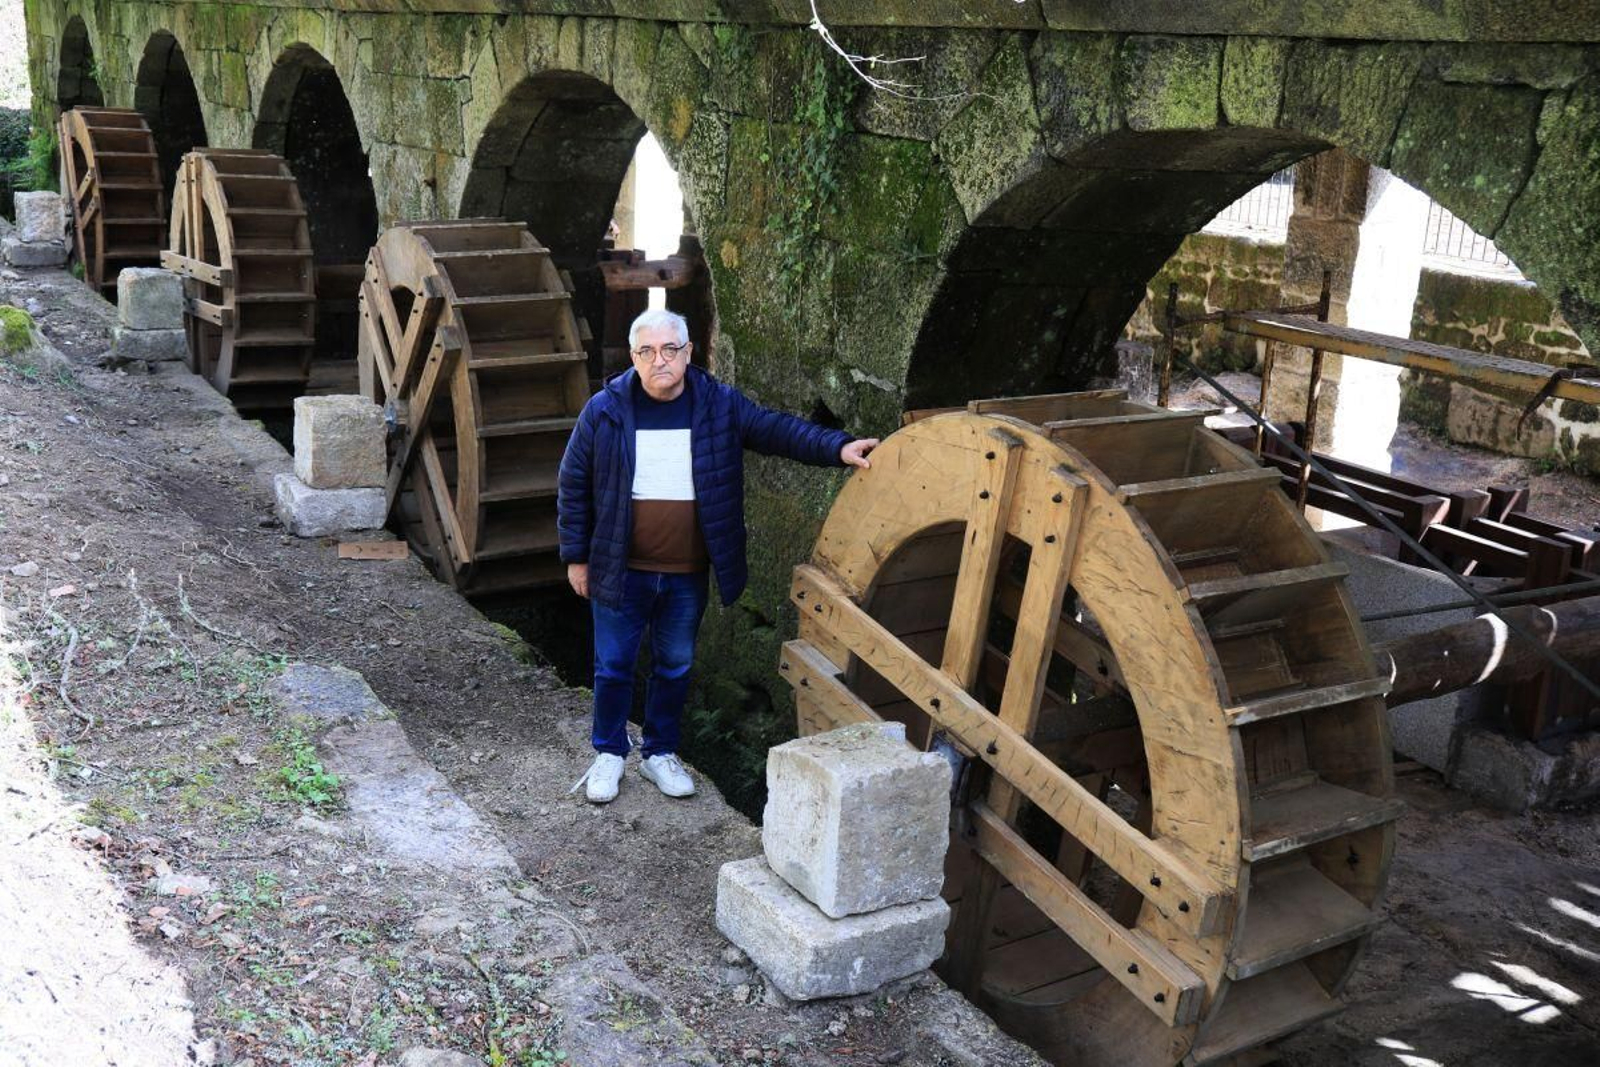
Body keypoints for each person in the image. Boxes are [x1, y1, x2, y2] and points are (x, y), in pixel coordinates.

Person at [557, 309, 878, 803]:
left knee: (676, 665)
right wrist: (576, 557)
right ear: (633, 357)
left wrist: (837, 448)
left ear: (688, 353)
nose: (659, 360)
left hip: (685, 573)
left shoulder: (718, 404)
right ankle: (609, 754)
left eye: (669, 349)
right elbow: (573, 485)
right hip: (619, 568)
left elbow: (777, 431)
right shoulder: (604, 411)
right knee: (614, 665)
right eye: (647, 351)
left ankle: (659, 753)